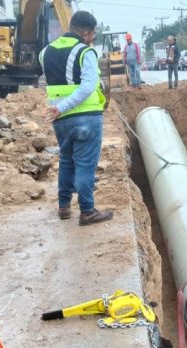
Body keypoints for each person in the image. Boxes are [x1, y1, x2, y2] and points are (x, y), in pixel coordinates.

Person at [39, 11, 113, 225]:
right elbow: (88, 85)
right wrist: (63, 107)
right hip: (85, 117)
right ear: (86, 33)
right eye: (93, 35)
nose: (92, 39)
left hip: (60, 120)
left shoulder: (46, 52)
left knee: (66, 160)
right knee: (85, 165)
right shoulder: (85, 52)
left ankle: (64, 207)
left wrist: (59, 108)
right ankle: (87, 211)